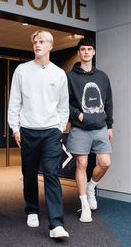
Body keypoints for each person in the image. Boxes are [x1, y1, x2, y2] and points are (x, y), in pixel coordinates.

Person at [8, 30, 69, 238]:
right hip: (28, 131)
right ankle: (32, 209)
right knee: (29, 172)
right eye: (35, 41)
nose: (37, 44)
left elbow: (63, 106)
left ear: (51, 46)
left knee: (51, 174)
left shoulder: (59, 74)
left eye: (42, 41)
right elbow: (14, 102)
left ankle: (56, 224)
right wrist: (15, 128)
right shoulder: (22, 70)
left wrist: (59, 129)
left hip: (51, 131)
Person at [66, 37, 113, 223]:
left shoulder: (102, 76)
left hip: (101, 126)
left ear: (93, 52)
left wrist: (110, 125)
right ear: (78, 53)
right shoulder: (70, 77)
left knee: (105, 162)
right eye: (82, 49)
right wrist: (78, 115)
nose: (86, 52)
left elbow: (109, 101)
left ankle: (91, 186)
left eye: (89, 49)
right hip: (80, 128)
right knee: (82, 165)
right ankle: (84, 204)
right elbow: (64, 102)